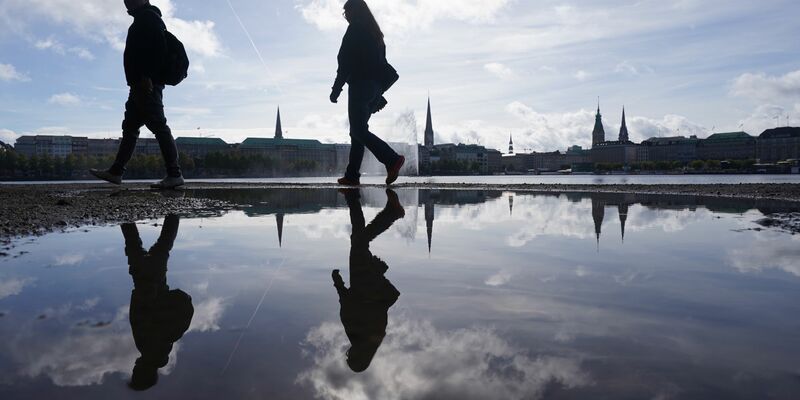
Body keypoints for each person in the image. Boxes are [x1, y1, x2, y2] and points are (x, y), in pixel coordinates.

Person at [90, 0, 184, 189]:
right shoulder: (144, 18)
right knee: (130, 128)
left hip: (146, 84)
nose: (127, 2)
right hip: (139, 84)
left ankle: (175, 175)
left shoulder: (148, 18)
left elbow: (158, 49)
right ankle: (116, 172)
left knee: (158, 126)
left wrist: (147, 76)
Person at [330, 0, 405, 187]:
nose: (346, 15)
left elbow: (344, 63)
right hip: (375, 88)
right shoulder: (376, 35)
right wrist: (378, 94)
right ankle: (352, 175)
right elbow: (381, 66)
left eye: (347, 11)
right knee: (358, 132)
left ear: (355, 11)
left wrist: (336, 89)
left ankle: (391, 159)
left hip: (360, 85)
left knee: (358, 130)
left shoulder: (355, 30)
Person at [332, 189, 404, 372]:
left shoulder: (374, 337)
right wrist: (338, 282)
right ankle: (390, 213)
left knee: (358, 236)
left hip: (368, 282)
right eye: (350, 355)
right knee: (358, 241)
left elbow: (353, 305)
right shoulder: (361, 335)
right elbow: (348, 304)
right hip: (363, 281)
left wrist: (376, 273)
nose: (348, 352)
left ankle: (354, 199)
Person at [122, 214, 194, 391]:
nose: (133, 367)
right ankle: (123, 209)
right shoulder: (150, 347)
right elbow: (140, 314)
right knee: (135, 242)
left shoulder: (162, 346)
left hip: (154, 278)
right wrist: (148, 295)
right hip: (146, 280)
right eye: (135, 371)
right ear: (141, 370)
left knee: (163, 243)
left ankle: (173, 211)